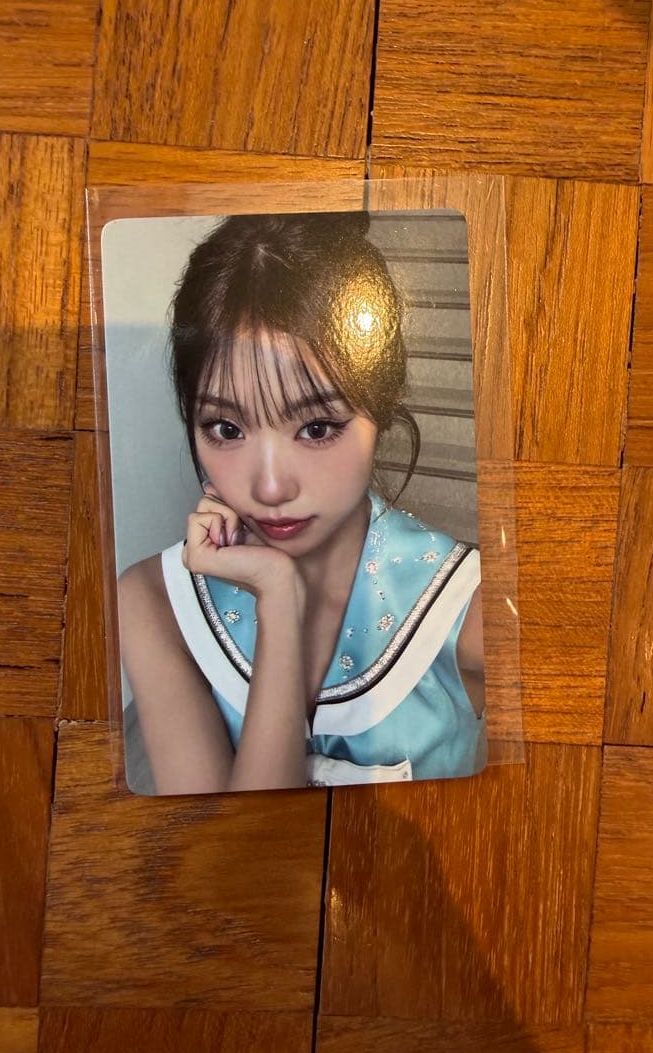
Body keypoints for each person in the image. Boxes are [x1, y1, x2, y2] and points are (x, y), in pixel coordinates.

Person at [118, 211, 486, 794]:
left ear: (382, 406)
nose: (269, 489)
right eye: (226, 428)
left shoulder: (468, 606)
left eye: (316, 428)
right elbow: (233, 848)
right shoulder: (153, 600)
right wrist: (278, 601)